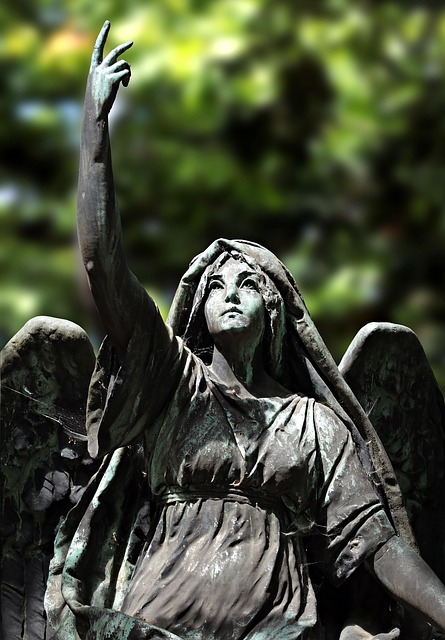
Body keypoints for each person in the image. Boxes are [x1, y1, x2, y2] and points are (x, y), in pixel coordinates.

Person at [46, 21, 445, 640]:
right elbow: (103, 264)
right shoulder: (173, 387)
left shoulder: (316, 426)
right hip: (156, 620)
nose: (230, 292)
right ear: (197, 307)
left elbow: (381, 547)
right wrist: (94, 128)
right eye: (215, 284)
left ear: (275, 312)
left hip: (278, 626)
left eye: (248, 284)